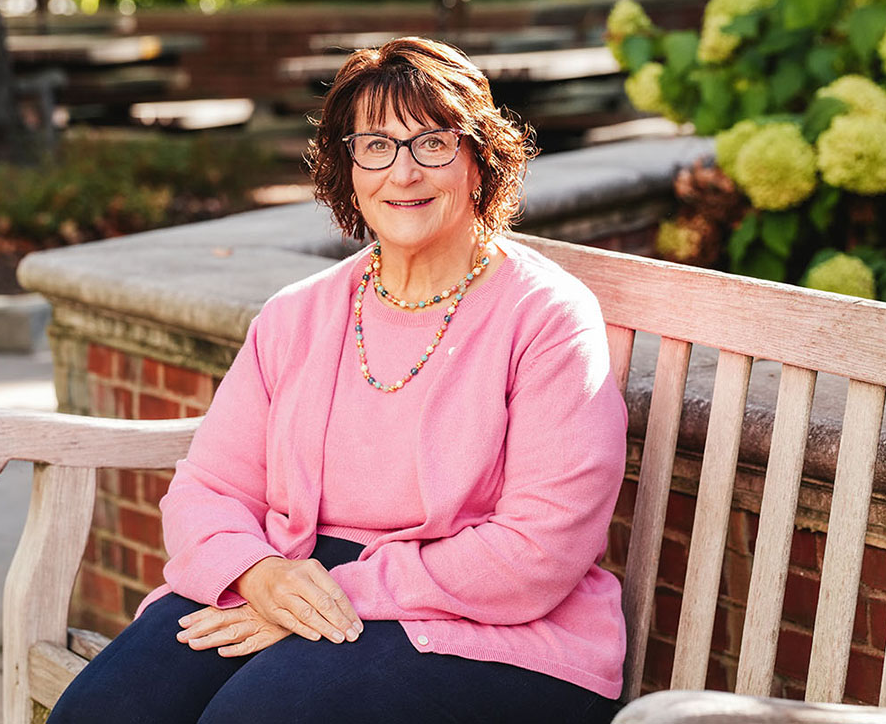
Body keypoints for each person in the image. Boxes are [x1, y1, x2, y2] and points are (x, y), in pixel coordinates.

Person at [47, 37, 628, 724]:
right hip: (290, 574)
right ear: (347, 169)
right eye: (375, 145)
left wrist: (331, 597)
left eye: (432, 144)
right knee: (104, 710)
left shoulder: (547, 316)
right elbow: (209, 487)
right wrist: (259, 577)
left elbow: (539, 547)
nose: (403, 172)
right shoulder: (299, 314)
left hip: (493, 626)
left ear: (479, 159)